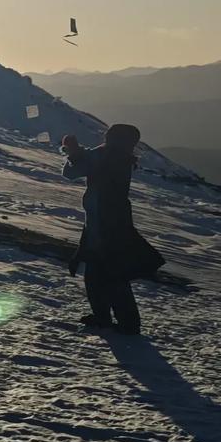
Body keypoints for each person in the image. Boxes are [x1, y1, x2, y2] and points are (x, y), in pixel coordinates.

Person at [61, 124, 165, 335]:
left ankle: (113, 320)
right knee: (113, 272)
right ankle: (124, 321)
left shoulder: (104, 154)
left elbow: (72, 172)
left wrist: (73, 152)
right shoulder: (124, 158)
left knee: (98, 272)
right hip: (116, 219)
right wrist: (79, 153)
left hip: (100, 220)